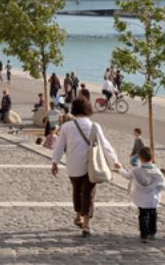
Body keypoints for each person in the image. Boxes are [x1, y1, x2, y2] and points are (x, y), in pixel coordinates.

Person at [51, 97, 121, 237]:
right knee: (89, 194)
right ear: (88, 109)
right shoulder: (94, 126)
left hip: (73, 165)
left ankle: (78, 215)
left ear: (74, 110)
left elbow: (59, 146)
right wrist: (114, 161)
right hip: (91, 165)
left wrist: (55, 162)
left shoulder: (67, 127)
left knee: (77, 191)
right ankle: (86, 225)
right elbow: (105, 144)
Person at [123, 147, 165, 243]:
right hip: (152, 198)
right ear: (152, 158)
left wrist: (119, 169)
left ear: (140, 158)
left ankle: (144, 234)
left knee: (143, 215)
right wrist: (158, 189)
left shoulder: (136, 170)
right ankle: (152, 231)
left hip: (141, 198)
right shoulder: (156, 171)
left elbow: (126, 175)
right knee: (153, 214)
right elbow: (163, 185)